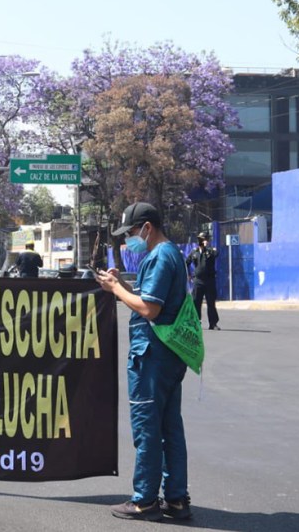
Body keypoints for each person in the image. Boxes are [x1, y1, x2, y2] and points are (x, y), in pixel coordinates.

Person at [94, 202, 191, 522]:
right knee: (169, 427)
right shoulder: (168, 254)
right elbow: (150, 298)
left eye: (132, 232)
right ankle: (176, 499)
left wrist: (116, 288)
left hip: (152, 357)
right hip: (166, 355)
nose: (129, 240)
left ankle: (145, 500)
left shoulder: (161, 256)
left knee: (148, 429)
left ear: (147, 228)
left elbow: (150, 309)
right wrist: (124, 286)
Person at [186, 231, 220, 330]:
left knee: (211, 303)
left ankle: (213, 323)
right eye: (201, 239)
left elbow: (216, 254)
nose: (202, 241)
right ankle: (196, 322)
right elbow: (186, 263)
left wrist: (207, 247)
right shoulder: (194, 252)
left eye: (204, 239)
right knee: (196, 302)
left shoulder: (211, 251)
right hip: (198, 281)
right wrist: (188, 274)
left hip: (209, 281)